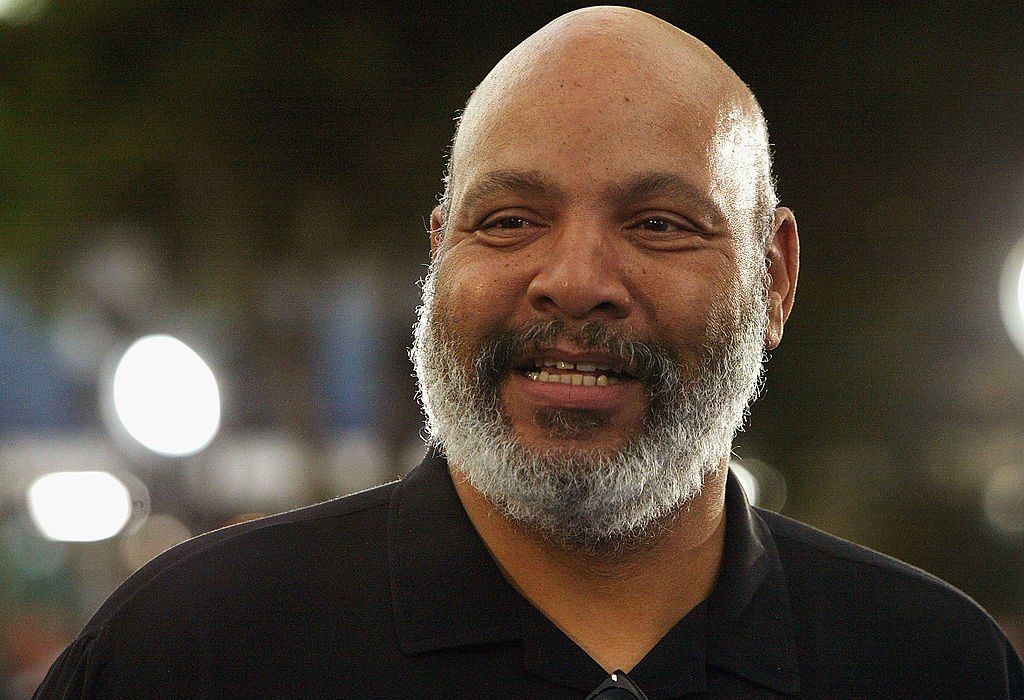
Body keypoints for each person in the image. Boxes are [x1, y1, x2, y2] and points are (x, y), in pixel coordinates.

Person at [35, 7, 1023, 699]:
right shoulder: (193, 652)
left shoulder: (934, 665)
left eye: (659, 223)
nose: (575, 276)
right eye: (508, 220)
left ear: (776, 279)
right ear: (439, 258)